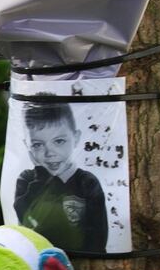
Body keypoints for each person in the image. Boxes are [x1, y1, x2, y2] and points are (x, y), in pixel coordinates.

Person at [13, 96, 108, 252]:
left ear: (76, 138)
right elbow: (23, 215)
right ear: (28, 146)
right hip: (36, 259)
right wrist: (42, 176)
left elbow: (98, 238)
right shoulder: (27, 179)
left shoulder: (87, 183)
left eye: (59, 141)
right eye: (37, 144)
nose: (50, 153)